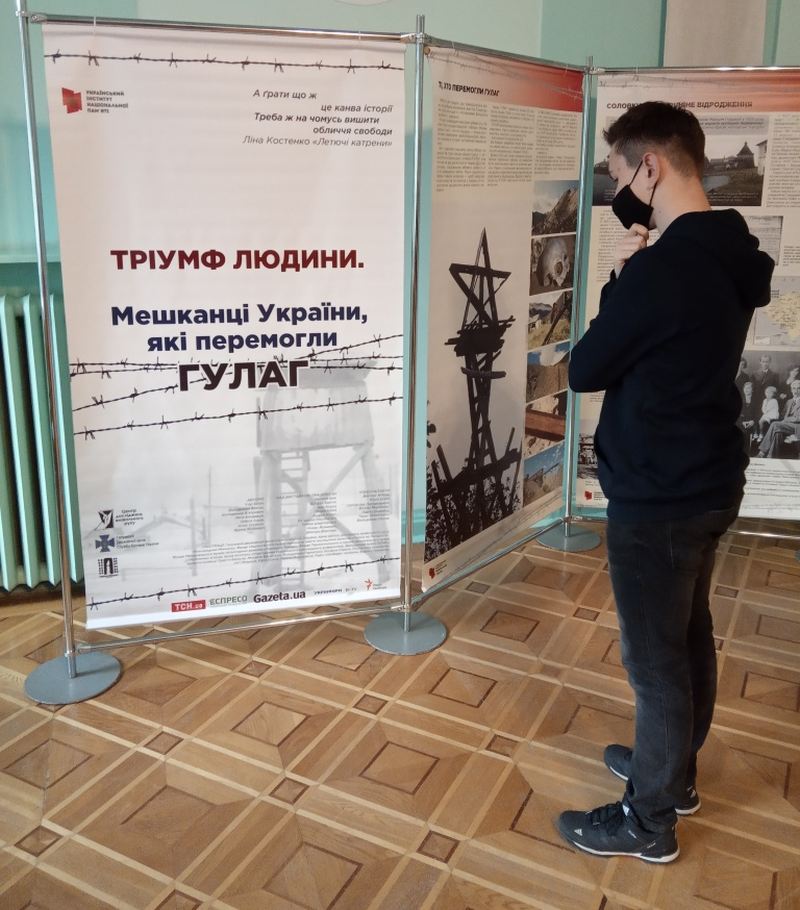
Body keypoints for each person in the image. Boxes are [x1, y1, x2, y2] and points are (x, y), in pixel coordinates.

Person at [562, 101, 774, 863]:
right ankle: (673, 774)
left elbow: (586, 368)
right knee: (687, 638)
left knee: (655, 666)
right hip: (709, 478)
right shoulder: (730, 247)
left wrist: (622, 278)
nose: (620, 188)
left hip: (658, 493)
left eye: (620, 172)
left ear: (650, 166)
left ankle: (647, 821)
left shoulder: (662, 269)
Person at [758, 379, 800, 457]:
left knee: (775, 425)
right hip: (786, 426)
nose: (796, 391)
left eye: (798, 388)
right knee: (777, 433)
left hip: (797, 427)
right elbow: (782, 416)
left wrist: (786, 420)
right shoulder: (789, 401)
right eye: (794, 388)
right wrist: (771, 416)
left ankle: (762, 452)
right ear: (791, 390)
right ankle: (771, 457)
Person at [737, 380, 759, 452]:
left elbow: (758, 413)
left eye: (748, 388)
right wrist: (741, 422)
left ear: (752, 390)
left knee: (749, 432)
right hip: (740, 422)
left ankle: (748, 452)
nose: (746, 389)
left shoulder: (756, 400)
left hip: (752, 423)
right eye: (745, 388)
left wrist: (753, 421)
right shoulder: (739, 398)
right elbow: (736, 413)